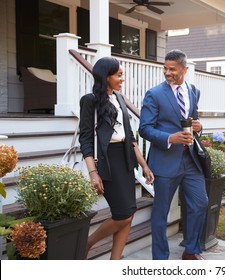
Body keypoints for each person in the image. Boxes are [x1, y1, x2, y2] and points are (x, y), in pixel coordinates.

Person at [79, 57, 154, 260]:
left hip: (126, 158)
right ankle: (87, 243)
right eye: (119, 75)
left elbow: (130, 137)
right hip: (107, 160)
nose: (122, 79)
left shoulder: (120, 98)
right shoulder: (90, 101)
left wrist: (143, 165)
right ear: (106, 77)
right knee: (122, 215)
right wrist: (93, 173)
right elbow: (85, 139)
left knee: (128, 214)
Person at [139, 49, 208, 260]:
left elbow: (193, 122)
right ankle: (160, 259)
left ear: (184, 69)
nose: (168, 73)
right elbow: (144, 129)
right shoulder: (154, 94)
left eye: (173, 69)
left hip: (191, 160)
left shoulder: (193, 91)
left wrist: (199, 126)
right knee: (161, 213)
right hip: (165, 161)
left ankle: (191, 250)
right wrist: (170, 138)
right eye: (165, 69)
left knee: (200, 203)